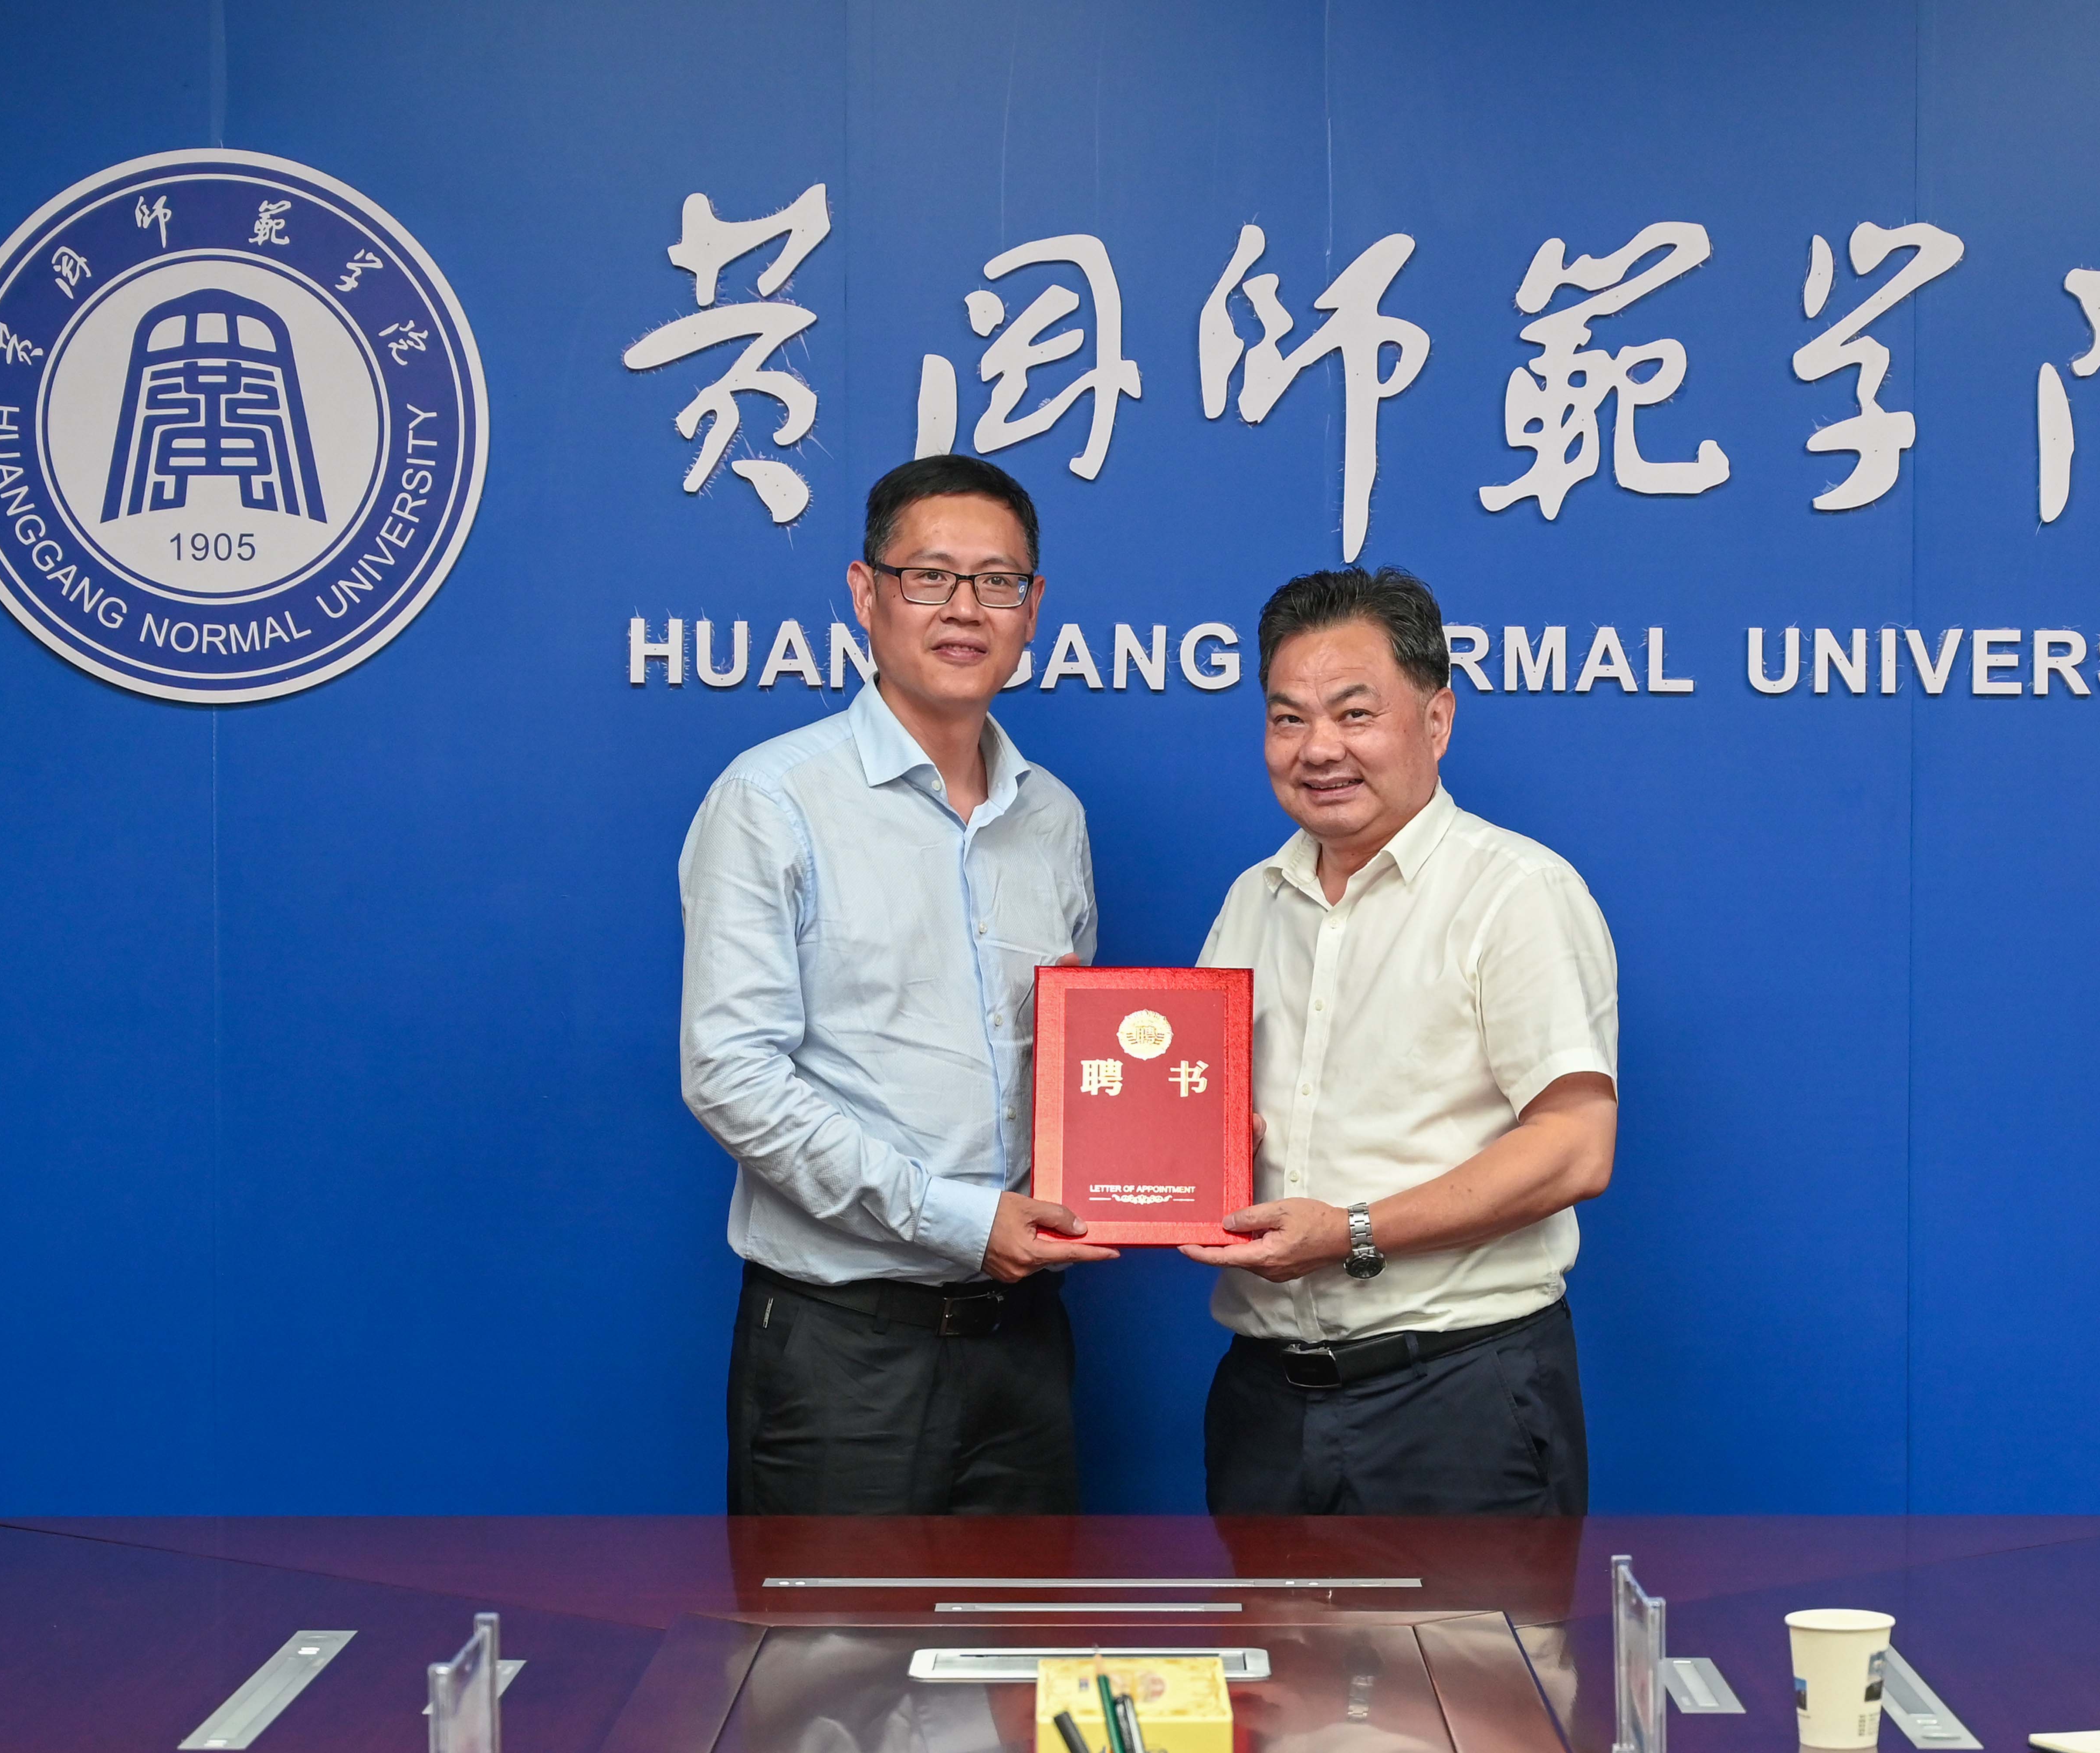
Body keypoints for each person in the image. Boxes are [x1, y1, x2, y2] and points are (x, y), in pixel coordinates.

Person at [680, 454, 1117, 1514]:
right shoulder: (774, 799)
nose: (965, 608)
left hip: (1026, 1346)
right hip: (845, 1354)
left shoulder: (1054, 816)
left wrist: (1165, 1151)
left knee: (1026, 1624)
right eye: (930, 576)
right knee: (834, 1632)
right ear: (866, 593)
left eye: (998, 581)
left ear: (1033, 608)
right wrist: (958, 1218)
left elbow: (1074, 1064)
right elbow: (732, 1074)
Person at [1183, 565, 1619, 1514]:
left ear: (1437, 719)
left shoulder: (1516, 893)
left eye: (1355, 713)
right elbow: (1202, 1109)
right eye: (1289, 718)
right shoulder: (1253, 900)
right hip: (1266, 1403)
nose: (1319, 748)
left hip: (1458, 1400)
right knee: (1264, 1625)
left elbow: (1576, 1149)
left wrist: (1350, 1232)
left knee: (1475, 1629)